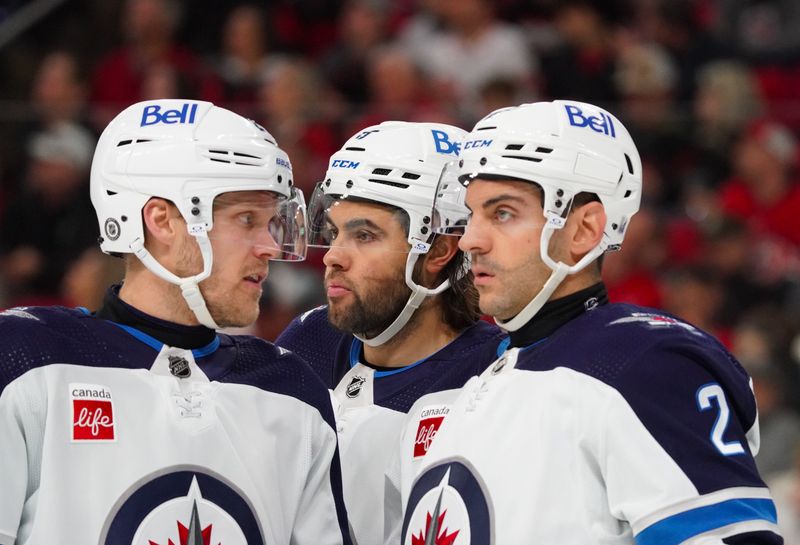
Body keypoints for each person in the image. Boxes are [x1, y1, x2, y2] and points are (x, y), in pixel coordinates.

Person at [387, 101, 783, 544]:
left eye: (502, 213)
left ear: (583, 229)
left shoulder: (640, 364)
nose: (472, 240)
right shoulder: (468, 378)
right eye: (472, 215)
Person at [0, 99, 350, 545]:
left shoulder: (292, 390)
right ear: (162, 220)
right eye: (246, 219)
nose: (268, 245)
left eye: (271, 222)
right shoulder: (24, 360)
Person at [276, 121, 504, 545]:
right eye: (334, 232)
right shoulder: (308, 341)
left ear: (438, 249)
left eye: (364, 235)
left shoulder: (495, 380)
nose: (334, 257)